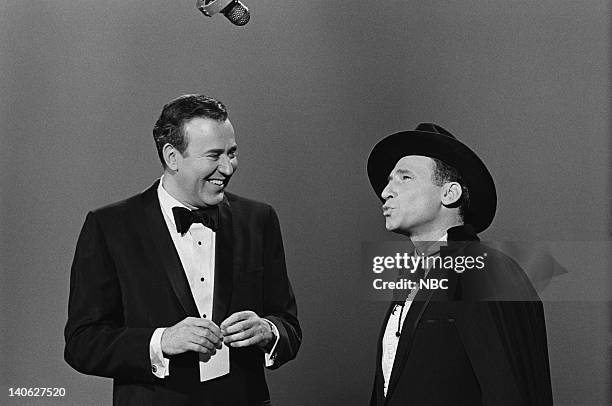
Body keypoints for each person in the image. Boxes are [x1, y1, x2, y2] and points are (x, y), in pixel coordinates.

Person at [64, 94, 301, 406]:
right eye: (214, 155)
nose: (228, 168)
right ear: (172, 157)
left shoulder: (259, 220)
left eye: (232, 153)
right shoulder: (110, 226)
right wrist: (162, 340)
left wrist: (268, 331)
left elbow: (289, 327)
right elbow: (82, 344)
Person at [367, 123, 552, 405]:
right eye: (388, 180)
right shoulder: (412, 281)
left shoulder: (482, 269)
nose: (385, 192)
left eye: (404, 178)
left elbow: (509, 388)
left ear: (449, 193)